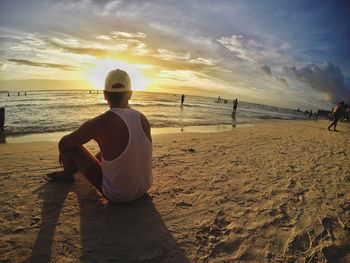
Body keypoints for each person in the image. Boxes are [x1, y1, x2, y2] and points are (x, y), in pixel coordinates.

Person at [47, 69, 153, 203]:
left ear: (104, 95)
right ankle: (76, 170)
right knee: (110, 151)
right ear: (130, 94)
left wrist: (65, 153)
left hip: (118, 195)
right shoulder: (142, 118)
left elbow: (63, 143)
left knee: (71, 147)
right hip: (144, 187)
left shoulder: (101, 122)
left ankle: (69, 175)